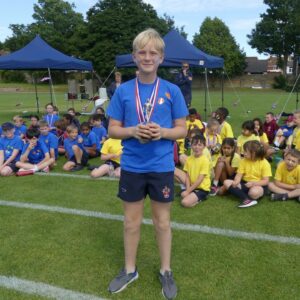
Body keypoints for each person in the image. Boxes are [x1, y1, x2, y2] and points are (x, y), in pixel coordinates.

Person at [106, 28, 188, 299]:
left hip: (162, 166)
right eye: (142, 52)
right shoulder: (123, 91)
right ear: (134, 56)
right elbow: (113, 129)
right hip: (132, 166)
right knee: (131, 223)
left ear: (161, 57)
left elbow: (182, 130)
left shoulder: (172, 90)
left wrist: (162, 133)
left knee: (162, 222)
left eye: (153, 52)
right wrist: (133, 131)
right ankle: (130, 270)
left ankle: (166, 271)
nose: (147, 56)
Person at [223, 140, 272, 208]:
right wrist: (236, 181)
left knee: (254, 193)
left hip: (258, 184)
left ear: (254, 153)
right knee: (226, 182)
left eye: (246, 152)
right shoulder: (243, 161)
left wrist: (253, 183)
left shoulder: (265, 163)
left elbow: (266, 181)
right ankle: (246, 199)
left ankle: (242, 195)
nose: (243, 153)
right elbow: (239, 174)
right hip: (245, 183)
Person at [175, 134, 211, 207]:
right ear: (191, 146)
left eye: (199, 145)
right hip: (191, 185)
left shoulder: (205, 161)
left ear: (204, 147)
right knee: (173, 170)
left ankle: (202, 197)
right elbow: (187, 176)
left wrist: (188, 191)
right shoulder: (189, 159)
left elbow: (199, 180)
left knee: (184, 203)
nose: (197, 147)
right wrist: (188, 189)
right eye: (194, 144)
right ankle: (190, 193)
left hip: (201, 189)